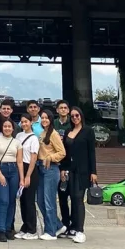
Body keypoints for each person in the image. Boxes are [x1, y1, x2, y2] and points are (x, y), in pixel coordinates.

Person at [63, 105, 97, 244]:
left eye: (77, 115)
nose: (75, 118)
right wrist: (63, 169)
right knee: (72, 198)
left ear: (81, 116)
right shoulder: (68, 131)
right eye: (72, 116)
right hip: (70, 169)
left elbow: (91, 152)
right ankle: (73, 227)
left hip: (83, 170)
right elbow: (65, 153)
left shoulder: (88, 131)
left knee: (78, 198)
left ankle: (80, 230)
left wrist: (93, 172)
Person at [0, 118, 23, 242]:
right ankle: (1, 230)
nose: (7, 128)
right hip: (1, 169)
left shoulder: (17, 142)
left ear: (13, 128)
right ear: (2, 128)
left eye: (10, 126)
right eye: (5, 126)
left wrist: (22, 178)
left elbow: (19, 161)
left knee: (12, 201)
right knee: (3, 200)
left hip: (14, 171)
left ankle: (9, 228)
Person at [37, 107, 66, 240]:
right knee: (40, 201)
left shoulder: (53, 134)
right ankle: (58, 225)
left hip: (51, 169)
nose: (44, 120)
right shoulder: (43, 133)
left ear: (50, 119)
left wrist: (50, 158)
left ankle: (51, 232)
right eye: (42, 118)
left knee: (49, 201)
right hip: (41, 168)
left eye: (46, 118)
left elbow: (62, 152)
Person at [15, 114, 40, 239]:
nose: (24, 124)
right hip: (20, 168)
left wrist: (28, 176)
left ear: (31, 122)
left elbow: (33, 158)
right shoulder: (18, 136)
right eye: (22, 122)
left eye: (26, 121)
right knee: (22, 200)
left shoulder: (34, 138)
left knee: (29, 201)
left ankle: (32, 230)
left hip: (30, 169)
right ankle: (24, 226)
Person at [53, 100, 71, 234]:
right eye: (61, 108)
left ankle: (74, 225)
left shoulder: (73, 124)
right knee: (62, 198)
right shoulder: (54, 124)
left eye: (65, 108)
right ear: (57, 110)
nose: (63, 110)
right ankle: (64, 224)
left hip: (70, 163)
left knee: (75, 198)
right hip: (57, 164)